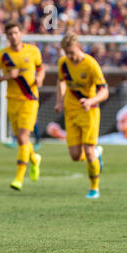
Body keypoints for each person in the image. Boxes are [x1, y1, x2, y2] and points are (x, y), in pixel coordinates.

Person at [0, 20, 45, 191]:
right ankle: (34, 158)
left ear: (21, 33)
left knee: (22, 138)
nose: (13, 36)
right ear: (6, 36)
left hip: (30, 98)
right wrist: (6, 77)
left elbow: (41, 68)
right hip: (12, 100)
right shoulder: (2, 55)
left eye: (15, 33)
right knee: (22, 140)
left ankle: (19, 178)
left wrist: (40, 78)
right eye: (10, 34)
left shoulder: (33, 51)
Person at [54, 32, 109, 199]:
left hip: (89, 111)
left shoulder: (91, 65)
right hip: (71, 111)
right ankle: (96, 154)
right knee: (75, 156)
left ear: (78, 47)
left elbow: (104, 91)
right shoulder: (63, 63)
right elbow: (61, 80)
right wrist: (59, 101)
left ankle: (94, 188)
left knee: (89, 150)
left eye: (72, 52)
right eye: (67, 53)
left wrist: (91, 101)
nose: (70, 56)